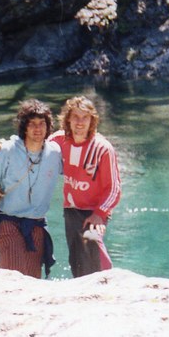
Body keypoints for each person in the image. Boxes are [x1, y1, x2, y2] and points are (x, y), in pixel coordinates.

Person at [0, 99, 61, 278]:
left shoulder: (55, 153)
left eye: (42, 124)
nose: (37, 129)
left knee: (33, 280)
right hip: (8, 221)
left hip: (36, 224)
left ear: (48, 127)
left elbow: (77, 144)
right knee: (12, 275)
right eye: (32, 124)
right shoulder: (6, 150)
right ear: (24, 127)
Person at [49, 96, 121, 277]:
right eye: (75, 117)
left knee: (91, 241)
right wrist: (5, 145)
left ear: (92, 121)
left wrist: (99, 214)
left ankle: (108, 281)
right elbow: (34, 148)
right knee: (77, 258)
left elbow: (114, 189)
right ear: (68, 119)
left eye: (85, 118)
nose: (80, 122)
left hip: (94, 210)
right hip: (71, 208)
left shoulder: (103, 148)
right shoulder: (58, 141)